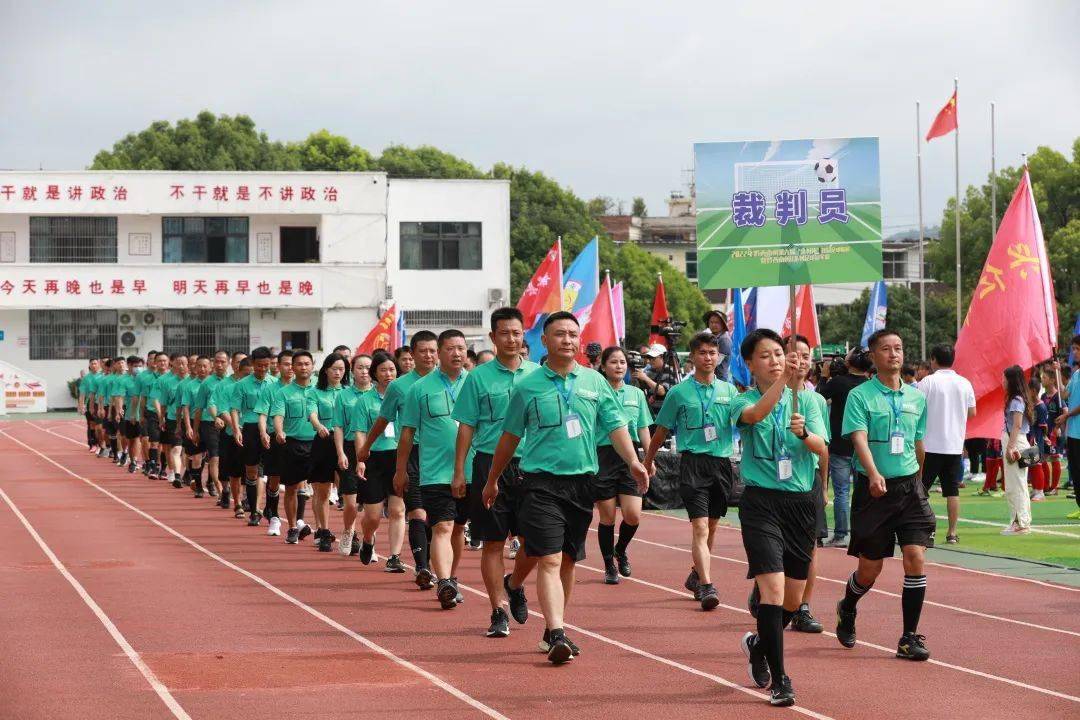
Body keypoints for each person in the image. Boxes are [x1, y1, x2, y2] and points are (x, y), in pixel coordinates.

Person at [484, 311, 648, 664]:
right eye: (560, 334)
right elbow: (510, 437)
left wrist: (633, 460)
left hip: (582, 483)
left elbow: (616, 424)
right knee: (550, 557)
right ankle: (557, 631)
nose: (568, 340)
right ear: (544, 341)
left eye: (574, 334)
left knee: (569, 561)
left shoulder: (594, 381)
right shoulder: (527, 386)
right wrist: (493, 478)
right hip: (540, 483)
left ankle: (537, 613)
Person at [730, 329, 827, 707]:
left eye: (778, 353)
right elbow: (755, 415)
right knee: (771, 589)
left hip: (801, 503)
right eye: (766, 356)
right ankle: (782, 679)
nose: (774, 360)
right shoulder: (740, 401)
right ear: (750, 364)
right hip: (761, 504)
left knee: (792, 598)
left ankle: (758, 644)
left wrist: (805, 435)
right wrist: (784, 382)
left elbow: (823, 448)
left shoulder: (810, 401)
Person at [837, 328, 933, 663]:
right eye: (886, 349)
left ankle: (908, 638)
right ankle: (847, 606)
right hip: (873, 489)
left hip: (909, 487)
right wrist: (874, 472)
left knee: (915, 558)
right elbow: (859, 438)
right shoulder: (861, 396)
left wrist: (920, 481)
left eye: (899, 348)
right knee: (870, 569)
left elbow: (918, 443)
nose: (894, 354)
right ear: (873, 356)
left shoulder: (917, 398)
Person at [451, 307, 540, 636]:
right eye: (505, 333)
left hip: (532, 465)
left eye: (517, 332)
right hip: (489, 464)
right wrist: (459, 471)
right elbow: (466, 427)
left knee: (535, 539)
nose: (512, 338)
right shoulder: (478, 377)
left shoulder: (538, 375)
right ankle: (497, 610)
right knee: (492, 542)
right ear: (493, 337)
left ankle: (515, 583)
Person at [643, 331, 737, 610]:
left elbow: (746, 421)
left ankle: (697, 573)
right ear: (693, 356)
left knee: (712, 526)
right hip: (693, 464)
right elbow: (660, 432)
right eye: (702, 353)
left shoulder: (729, 391)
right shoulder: (679, 392)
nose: (708, 358)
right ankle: (707, 585)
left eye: (713, 353)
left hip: (721, 464)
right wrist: (648, 462)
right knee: (698, 526)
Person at [359, 331, 439, 588]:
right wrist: (365, 448)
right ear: (412, 355)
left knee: (437, 518)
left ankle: (438, 570)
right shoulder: (400, 386)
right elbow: (383, 420)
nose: (429, 356)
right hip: (409, 454)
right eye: (423, 351)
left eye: (433, 351)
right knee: (414, 511)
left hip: (441, 456)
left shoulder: (451, 382)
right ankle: (422, 568)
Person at [397, 329, 471, 609]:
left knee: (458, 528)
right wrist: (401, 470)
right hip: (435, 471)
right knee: (442, 525)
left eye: (461, 348)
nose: (457, 353)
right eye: (450, 348)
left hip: (472, 470)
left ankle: (452, 577)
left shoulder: (475, 383)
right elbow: (407, 433)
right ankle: (443, 582)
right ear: (439, 353)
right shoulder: (420, 389)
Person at [595, 346, 652, 585]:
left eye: (622, 362)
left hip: (631, 458)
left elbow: (643, 426)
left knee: (633, 515)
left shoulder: (636, 394)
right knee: (607, 516)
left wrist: (649, 457)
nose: (619, 366)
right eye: (614, 362)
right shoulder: (596, 392)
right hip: (603, 455)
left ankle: (620, 549)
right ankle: (609, 563)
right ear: (604, 366)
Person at [350, 351, 407, 571]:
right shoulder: (364, 401)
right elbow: (360, 433)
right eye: (383, 370)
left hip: (398, 456)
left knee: (398, 510)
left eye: (392, 369)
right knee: (373, 516)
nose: (388, 374)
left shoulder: (404, 396)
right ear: (375, 373)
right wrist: (360, 459)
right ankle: (367, 539)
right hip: (373, 458)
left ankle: (394, 557)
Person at [917, 344, 976, 544]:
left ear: (933, 359)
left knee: (922, 490)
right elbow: (972, 413)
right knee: (952, 491)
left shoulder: (928, 382)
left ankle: (924, 530)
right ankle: (952, 532)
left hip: (930, 445)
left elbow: (917, 408)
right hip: (953, 445)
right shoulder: (964, 383)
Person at [817, 349, 871, 547]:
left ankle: (841, 535)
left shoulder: (839, 382)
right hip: (864, 445)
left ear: (851, 363)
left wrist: (824, 377)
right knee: (862, 492)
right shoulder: (870, 385)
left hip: (840, 444)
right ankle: (862, 534)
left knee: (841, 492)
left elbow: (819, 397)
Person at [270, 351, 318, 544]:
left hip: (317, 442)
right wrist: (279, 431)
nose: (303, 367)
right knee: (290, 488)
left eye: (307, 364)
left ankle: (322, 530)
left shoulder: (319, 389)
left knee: (321, 489)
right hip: (292, 443)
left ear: (312, 366)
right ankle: (291, 527)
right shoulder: (284, 392)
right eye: (299, 364)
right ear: (293, 367)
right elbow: (278, 416)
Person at [333, 353, 374, 556]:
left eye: (368, 367)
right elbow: (338, 426)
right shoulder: (344, 396)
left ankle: (369, 541)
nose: (364, 371)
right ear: (352, 370)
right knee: (351, 502)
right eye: (360, 367)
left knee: (372, 503)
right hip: (350, 449)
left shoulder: (380, 395)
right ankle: (349, 530)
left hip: (375, 449)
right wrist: (340, 452)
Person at [231, 347, 275, 525]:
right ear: (253, 364)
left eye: (266, 365)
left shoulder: (275, 383)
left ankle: (270, 509)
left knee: (273, 472)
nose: (263, 369)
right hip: (250, 428)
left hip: (271, 429)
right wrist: (236, 429)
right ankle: (254, 510)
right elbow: (234, 408)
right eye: (259, 366)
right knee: (252, 470)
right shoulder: (242, 384)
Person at [308, 353, 347, 551]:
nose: (338, 372)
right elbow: (312, 413)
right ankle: (323, 531)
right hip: (324, 441)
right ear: (326, 370)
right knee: (322, 491)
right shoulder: (315, 392)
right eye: (334, 369)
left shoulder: (349, 392)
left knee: (350, 492)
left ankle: (351, 533)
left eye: (341, 369)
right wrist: (318, 426)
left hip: (347, 443)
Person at [256, 349, 294, 536]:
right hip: (276, 437)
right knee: (275, 479)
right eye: (286, 364)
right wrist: (263, 433)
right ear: (278, 366)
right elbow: (263, 414)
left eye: (292, 364)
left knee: (298, 482)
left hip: (298, 439)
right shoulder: (270, 389)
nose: (290, 368)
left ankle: (298, 522)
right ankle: (274, 516)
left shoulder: (306, 387)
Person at [1000, 365, 1033, 534]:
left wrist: (1011, 447)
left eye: (1004, 379)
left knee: (1017, 485)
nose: (1002, 382)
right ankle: (1018, 520)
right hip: (1016, 441)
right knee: (1016, 484)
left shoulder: (1016, 400)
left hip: (1016, 442)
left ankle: (1021, 522)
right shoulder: (1020, 399)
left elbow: (1017, 425)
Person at [193, 351, 228, 500]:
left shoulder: (233, 381)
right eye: (217, 362)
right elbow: (199, 408)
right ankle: (222, 492)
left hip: (230, 423)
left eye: (223, 362)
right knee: (215, 457)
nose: (220, 365)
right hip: (209, 424)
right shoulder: (207, 383)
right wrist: (195, 430)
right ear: (213, 363)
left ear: (229, 363)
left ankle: (216, 483)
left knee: (226, 457)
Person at [1053, 336, 1080, 519]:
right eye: (1073, 349)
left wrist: (1067, 415)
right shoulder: (1076, 374)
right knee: (1075, 472)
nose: (1074, 352)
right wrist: (1057, 375)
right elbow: (1064, 393)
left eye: (1077, 348)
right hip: (1073, 432)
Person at [180, 356, 210, 496]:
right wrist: (188, 427)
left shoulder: (216, 384)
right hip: (194, 422)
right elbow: (185, 407)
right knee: (197, 456)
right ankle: (198, 486)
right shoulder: (189, 386)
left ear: (210, 367)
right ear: (195, 368)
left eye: (205, 366)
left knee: (214, 457)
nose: (202, 369)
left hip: (212, 424)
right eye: (199, 366)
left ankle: (211, 482)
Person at [1040, 365, 1065, 496]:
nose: (1042, 380)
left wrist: (1058, 427)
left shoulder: (1058, 396)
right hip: (1044, 434)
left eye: (1044, 378)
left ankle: (1054, 487)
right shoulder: (1043, 395)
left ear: (1052, 380)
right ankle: (1045, 486)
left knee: (1054, 459)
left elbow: (1065, 411)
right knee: (1043, 458)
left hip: (1054, 433)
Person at [636, 343, 676, 417]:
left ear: (662, 357)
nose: (650, 361)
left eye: (653, 358)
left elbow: (662, 391)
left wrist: (645, 378)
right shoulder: (650, 371)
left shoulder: (671, 371)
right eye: (649, 358)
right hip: (651, 415)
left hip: (665, 417)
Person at [1028, 378, 1050, 503]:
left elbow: (1044, 426)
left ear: (1033, 391)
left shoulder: (1040, 407)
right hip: (1030, 438)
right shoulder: (1031, 405)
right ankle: (1035, 489)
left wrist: (1044, 438)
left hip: (1036, 440)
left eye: (1028, 390)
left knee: (1037, 465)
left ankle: (1040, 491)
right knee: (1031, 465)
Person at [77, 358, 102, 453]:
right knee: (91, 424)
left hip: (101, 403)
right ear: (90, 365)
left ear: (99, 365)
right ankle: (93, 444)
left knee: (100, 426)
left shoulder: (102, 376)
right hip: (89, 403)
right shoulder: (86, 378)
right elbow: (82, 393)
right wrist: (81, 405)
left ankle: (102, 444)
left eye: (96, 363)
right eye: (92, 363)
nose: (94, 365)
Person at [703, 310, 734, 382]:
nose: (713, 325)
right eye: (711, 322)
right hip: (710, 379)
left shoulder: (724, 340)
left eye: (716, 322)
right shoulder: (711, 337)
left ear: (723, 324)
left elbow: (716, 362)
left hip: (720, 380)